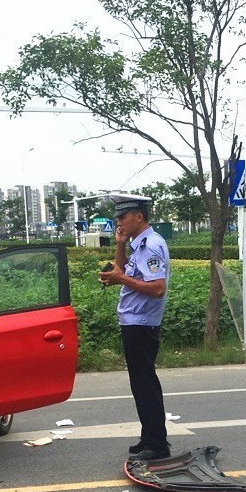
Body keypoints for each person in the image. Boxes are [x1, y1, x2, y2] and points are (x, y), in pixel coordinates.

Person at [98, 195, 171, 461]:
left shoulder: (151, 246)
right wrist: (120, 246)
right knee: (141, 385)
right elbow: (124, 270)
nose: (118, 222)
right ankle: (149, 437)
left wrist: (121, 279)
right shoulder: (139, 244)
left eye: (122, 217)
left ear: (138, 216)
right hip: (134, 322)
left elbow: (158, 288)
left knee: (145, 385)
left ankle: (157, 444)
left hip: (141, 323)